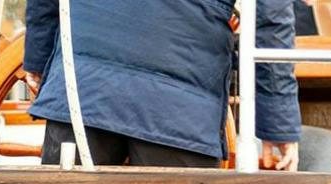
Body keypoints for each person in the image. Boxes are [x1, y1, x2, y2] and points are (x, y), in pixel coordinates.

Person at [22, 0, 301, 169]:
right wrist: (278, 123)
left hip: (81, 88)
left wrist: (39, 60)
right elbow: (269, 18)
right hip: (179, 106)